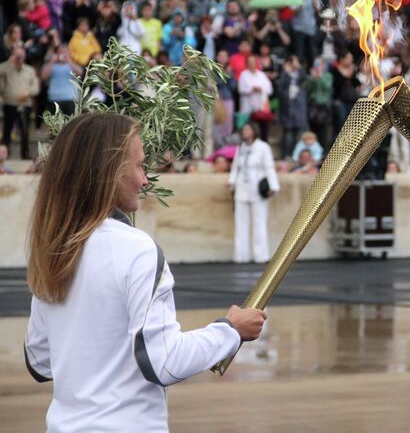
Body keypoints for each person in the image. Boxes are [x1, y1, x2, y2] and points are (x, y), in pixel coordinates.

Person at [24, 113, 267, 431]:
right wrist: (230, 330)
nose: (145, 180)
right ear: (109, 171)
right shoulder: (136, 249)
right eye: (138, 166)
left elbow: (40, 360)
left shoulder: (54, 247)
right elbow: (164, 361)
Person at [228, 121, 280, 264]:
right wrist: (231, 182)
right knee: (241, 223)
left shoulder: (263, 147)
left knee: (259, 222)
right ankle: (241, 255)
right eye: (243, 129)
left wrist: (273, 186)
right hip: (241, 187)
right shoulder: (241, 148)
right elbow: (235, 167)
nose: (244, 132)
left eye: (247, 129)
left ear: (253, 131)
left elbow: (269, 167)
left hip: (257, 188)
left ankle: (261, 255)